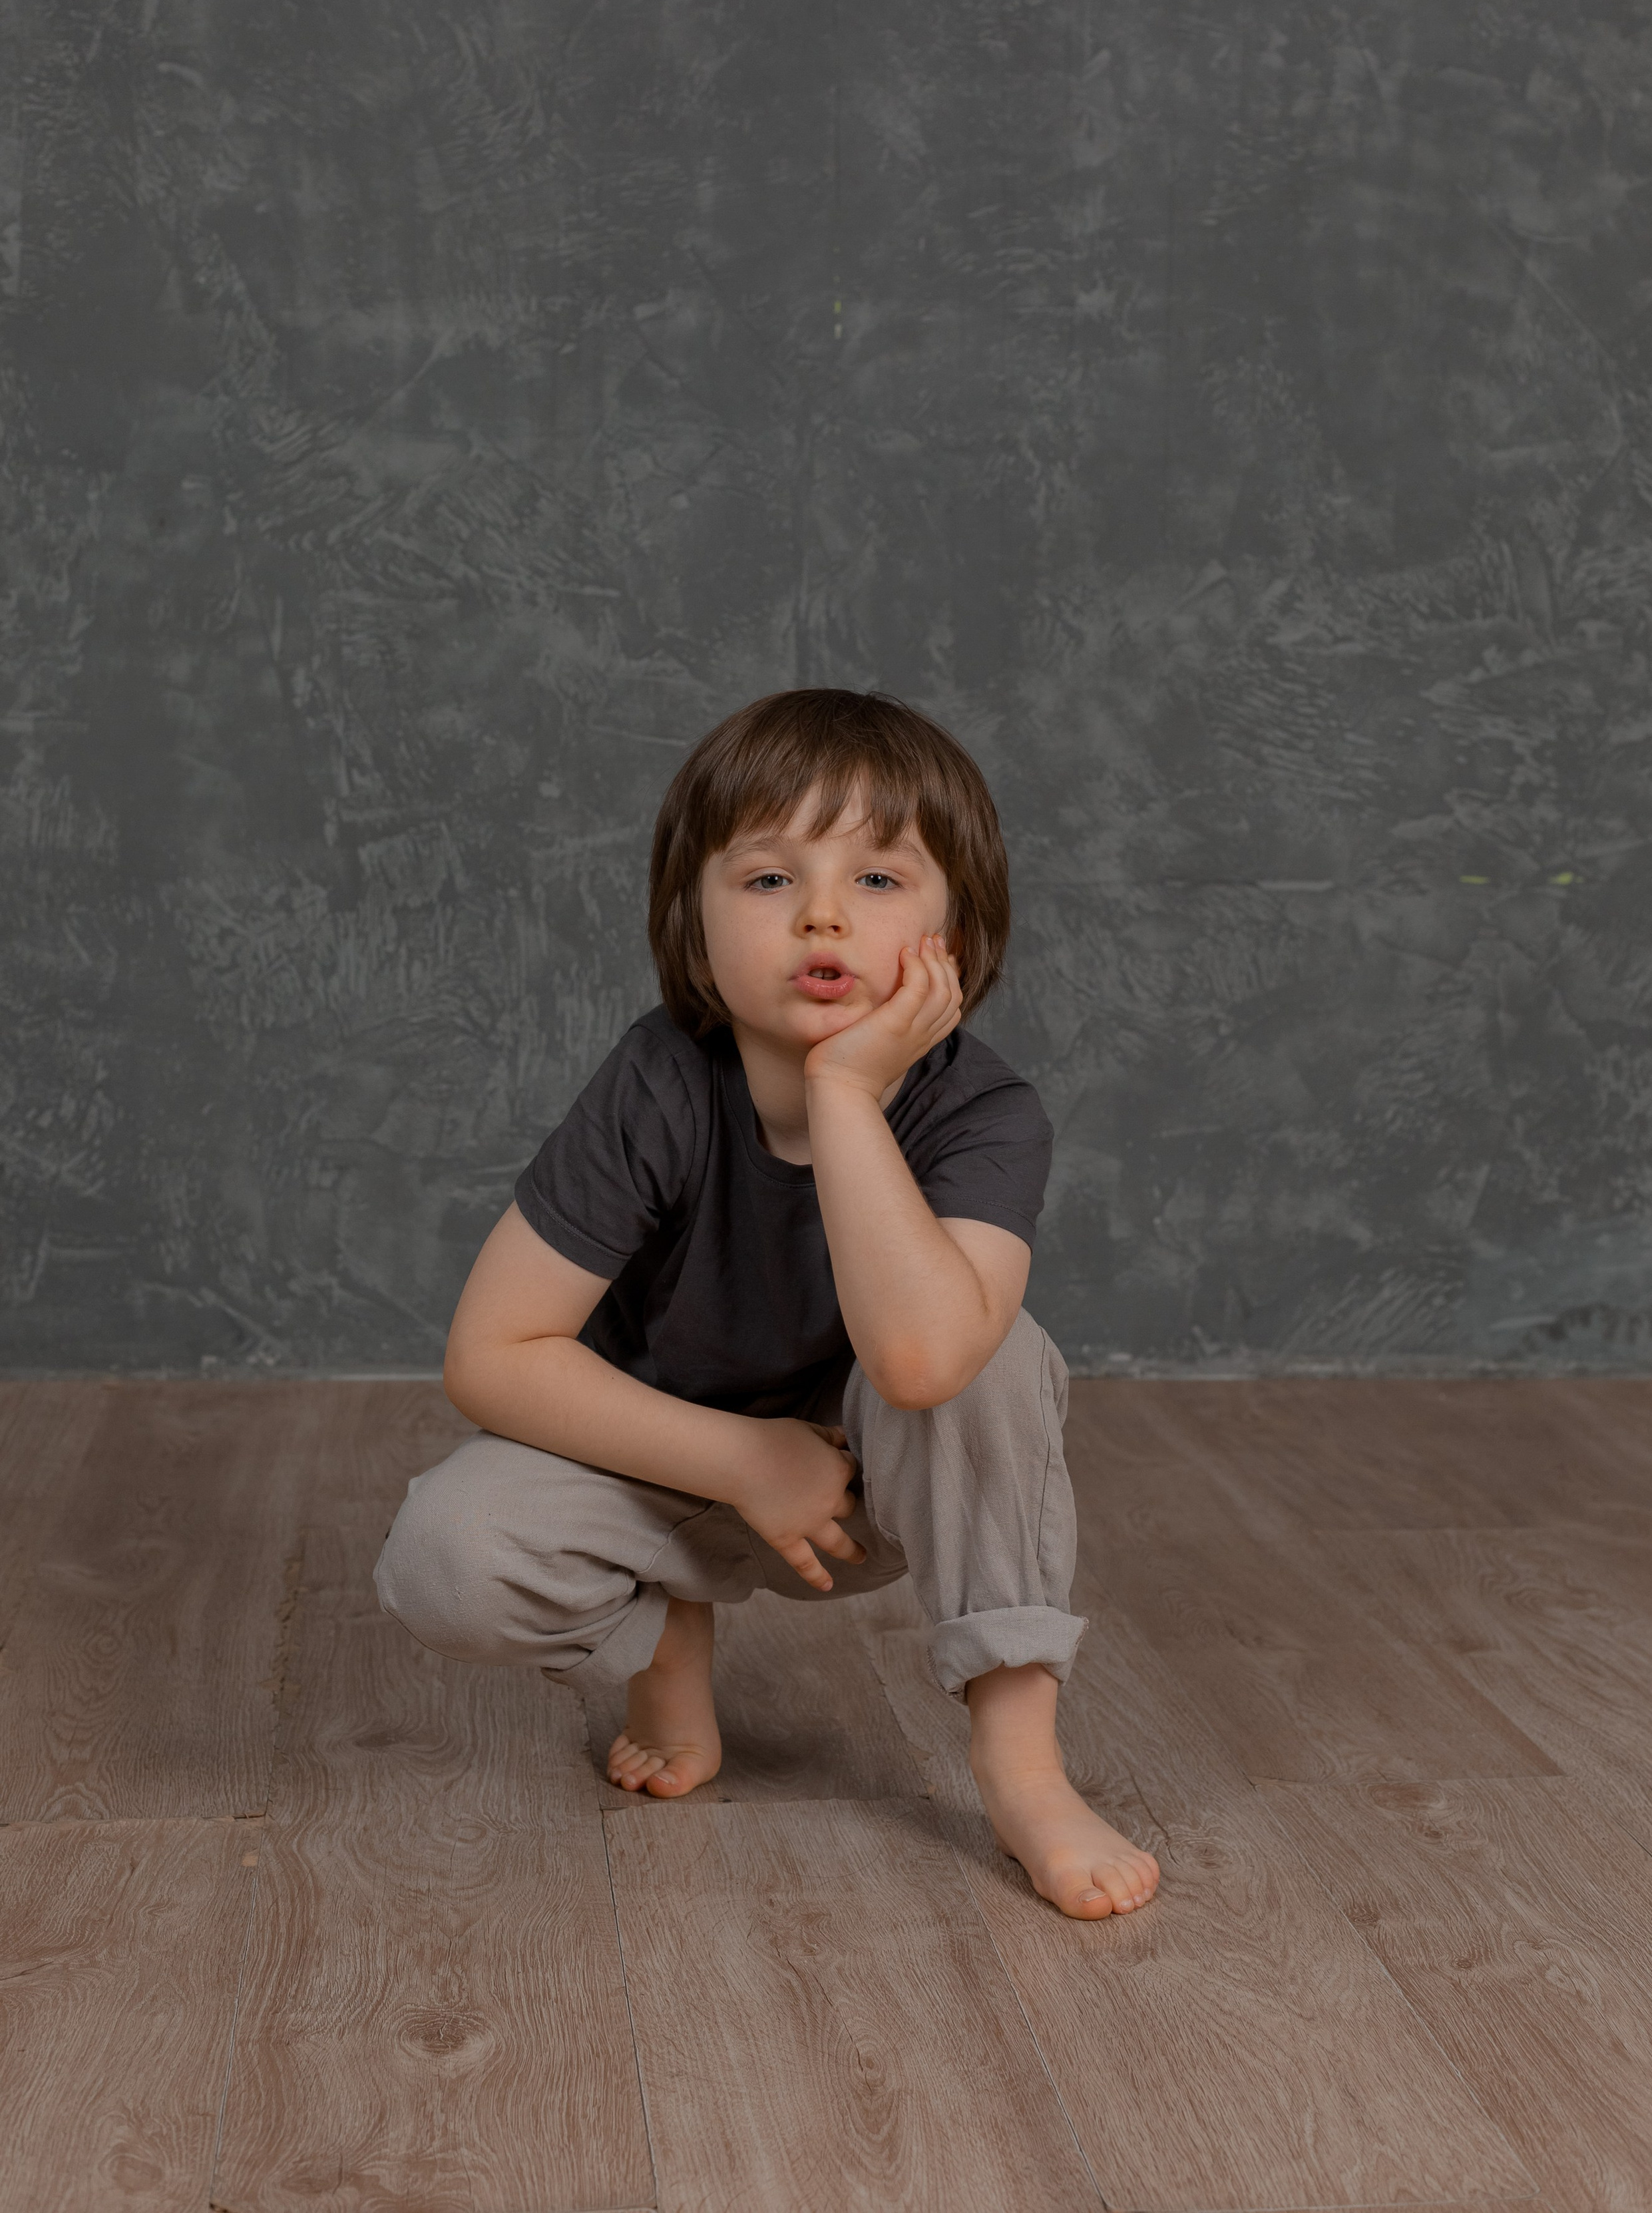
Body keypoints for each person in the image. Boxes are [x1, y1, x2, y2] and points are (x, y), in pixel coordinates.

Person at [375, 688, 1159, 1920]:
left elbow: (920, 1360)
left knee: (995, 1352)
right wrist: (745, 1457)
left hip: (875, 1493)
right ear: (694, 923)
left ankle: (1022, 1766)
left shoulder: (983, 1112)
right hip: (674, 1462)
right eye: (769, 880)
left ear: (960, 934)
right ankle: (664, 1645)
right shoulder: (659, 1082)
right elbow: (492, 1354)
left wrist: (847, 1095)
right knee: (446, 1554)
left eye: (882, 881)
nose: (826, 915)